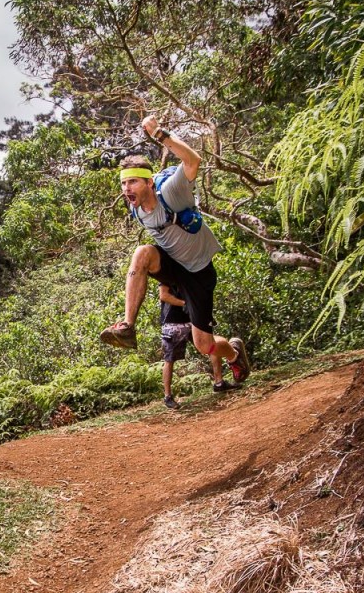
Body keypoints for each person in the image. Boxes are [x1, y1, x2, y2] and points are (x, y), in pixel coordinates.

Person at [100, 115, 251, 390]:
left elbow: (192, 161)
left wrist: (160, 134)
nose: (126, 189)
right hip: (172, 265)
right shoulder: (134, 208)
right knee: (142, 253)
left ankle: (234, 353)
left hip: (197, 271)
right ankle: (127, 327)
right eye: (123, 184)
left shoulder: (172, 191)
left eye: (132, 182)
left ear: (148, 182)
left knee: (204, 344)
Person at [158, 282, 237, 409]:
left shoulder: (189, 271)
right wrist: (185, 304)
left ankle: (219, 382)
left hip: (193, 318)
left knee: (211, 346)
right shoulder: (167, 272)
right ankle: (167, 396)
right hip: (173, 321)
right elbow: (164, 295)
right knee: (170, 359)